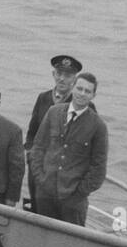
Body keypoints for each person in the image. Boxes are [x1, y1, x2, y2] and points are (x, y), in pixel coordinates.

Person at [28, 72, 108, 226]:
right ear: (73, 88)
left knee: (70, 246)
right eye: (79, 88)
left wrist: (79, 193)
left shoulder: (98, 126)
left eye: (87, 91)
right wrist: (40, 180)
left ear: (93, 95)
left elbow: (98, 168)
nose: (82, 94)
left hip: (73, 202)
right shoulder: (54, 112)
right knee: (43, 241)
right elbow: (38, 147)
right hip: (45, 195)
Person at [25, 53, 83, 206]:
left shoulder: (82, 105)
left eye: (68, 75)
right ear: (53, 74)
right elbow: (32, 132)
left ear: (75, 79)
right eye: (59, 73)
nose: (62, 78)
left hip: (65, 175)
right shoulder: (43, 98)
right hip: (39, 169)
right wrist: (31, 156)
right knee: (38, 208)